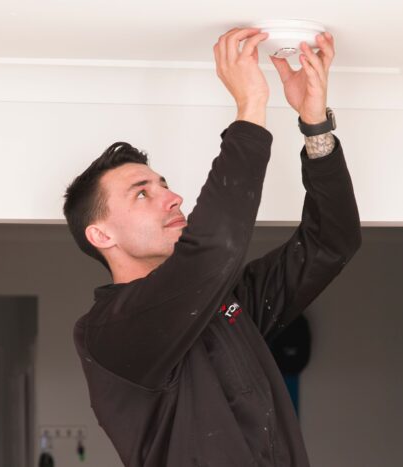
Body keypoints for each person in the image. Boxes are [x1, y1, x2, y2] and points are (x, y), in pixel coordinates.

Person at [62, 27, 361, 466]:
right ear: (102, 235)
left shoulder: (229, 304)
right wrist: (250, 107)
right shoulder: (107, 331)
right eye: (141, 192)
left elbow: (331, 242)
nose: (172, 196)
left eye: (163, 184)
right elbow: (213, 250)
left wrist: (315, 125)